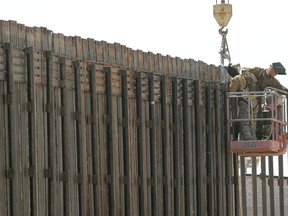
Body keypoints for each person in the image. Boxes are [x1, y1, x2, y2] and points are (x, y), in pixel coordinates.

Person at [229, 70, 259, 140]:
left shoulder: (237, 78)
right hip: (255, 102)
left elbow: (231, 91)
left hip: (245, 102)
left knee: (244, 123)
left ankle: (248, 141)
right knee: (252, 123)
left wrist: (231, 83)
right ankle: (253, 139)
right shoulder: (252, 76)